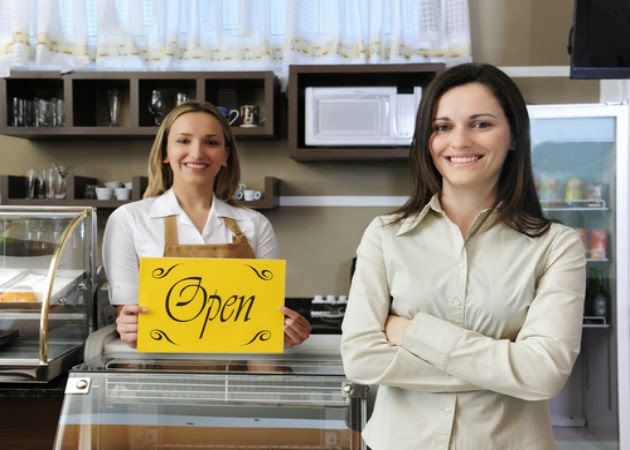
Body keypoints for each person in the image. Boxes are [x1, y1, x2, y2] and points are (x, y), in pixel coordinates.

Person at [340, 63, 586, 450]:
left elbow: (544, 374)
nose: (459, 141)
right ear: (427, 139)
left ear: (514, 136)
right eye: (442, 127)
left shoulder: (557, 245)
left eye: (481, 124)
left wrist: (412, 333)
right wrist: (507, 367)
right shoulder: (385, 235)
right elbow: (361, 360)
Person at [103, 101, 311, 349]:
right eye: (183, 140)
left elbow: (262, 317)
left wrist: (283, 333)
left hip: (234, 377)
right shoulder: (128, 219)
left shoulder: (255, 224)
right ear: (164, 153)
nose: (197, 152)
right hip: (155, 375)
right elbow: (128, 313)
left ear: (225, 155)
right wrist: (128, 325)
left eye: (211, 142)